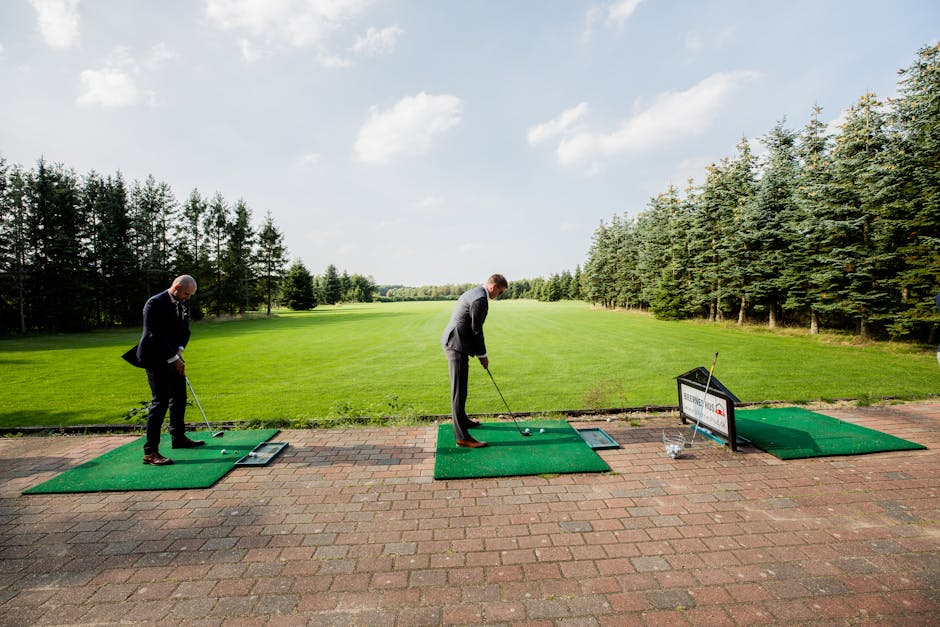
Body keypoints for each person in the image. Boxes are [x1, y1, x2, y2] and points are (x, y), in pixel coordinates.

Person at [122, 275, 205, 465]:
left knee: (179, 397)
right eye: (186, 293)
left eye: (190, 295)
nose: (188, 298)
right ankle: (150, 452)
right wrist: (174, 358)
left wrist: (179, 350)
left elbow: (185, 331)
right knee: (160, 402)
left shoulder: (182, 304)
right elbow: (154, 334)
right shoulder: (154, 303)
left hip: (172, 354)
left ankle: (178, 438)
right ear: (176, 287)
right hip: (153, 356)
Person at [441, 274, 509, 448]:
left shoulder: (476, 292)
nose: (498, 296)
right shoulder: (480, 300)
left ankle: (463, 420)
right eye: (500, 292)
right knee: (458, 391)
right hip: (456, 343)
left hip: (457, 342)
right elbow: (476, 331)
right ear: (493, 287)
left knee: (462, 387)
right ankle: (461, 436)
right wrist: (483, 356)